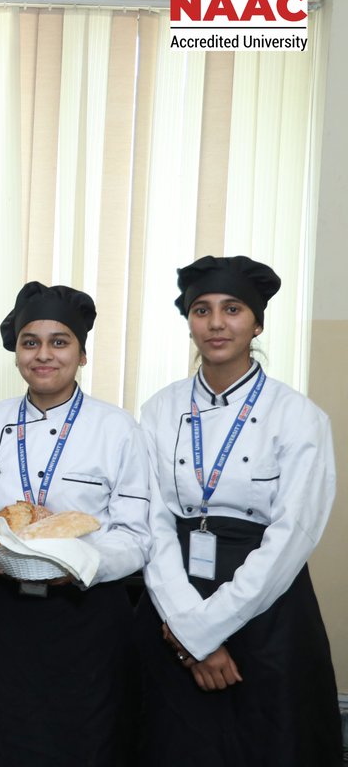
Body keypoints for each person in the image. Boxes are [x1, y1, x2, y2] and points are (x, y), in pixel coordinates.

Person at [135, 255, 340, 765]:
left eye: (232, 309)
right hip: (173, 599)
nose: (216, 323)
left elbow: (294, 533)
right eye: (201, 310)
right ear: (189, 322)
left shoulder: (298, 415)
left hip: (269, 608)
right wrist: (185, 624)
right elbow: (152, 519)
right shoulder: (159, 409)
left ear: (257, 323)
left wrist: (204, 633)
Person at [0, 281, 151, 765]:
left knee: (87, 742)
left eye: (59, 342)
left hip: (87, 619)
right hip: (1, 615)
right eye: (30, 342)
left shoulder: (117, 428)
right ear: (17, 353)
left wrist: (80, 563)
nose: (43, 355)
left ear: (82, 354)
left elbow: (135, 534)